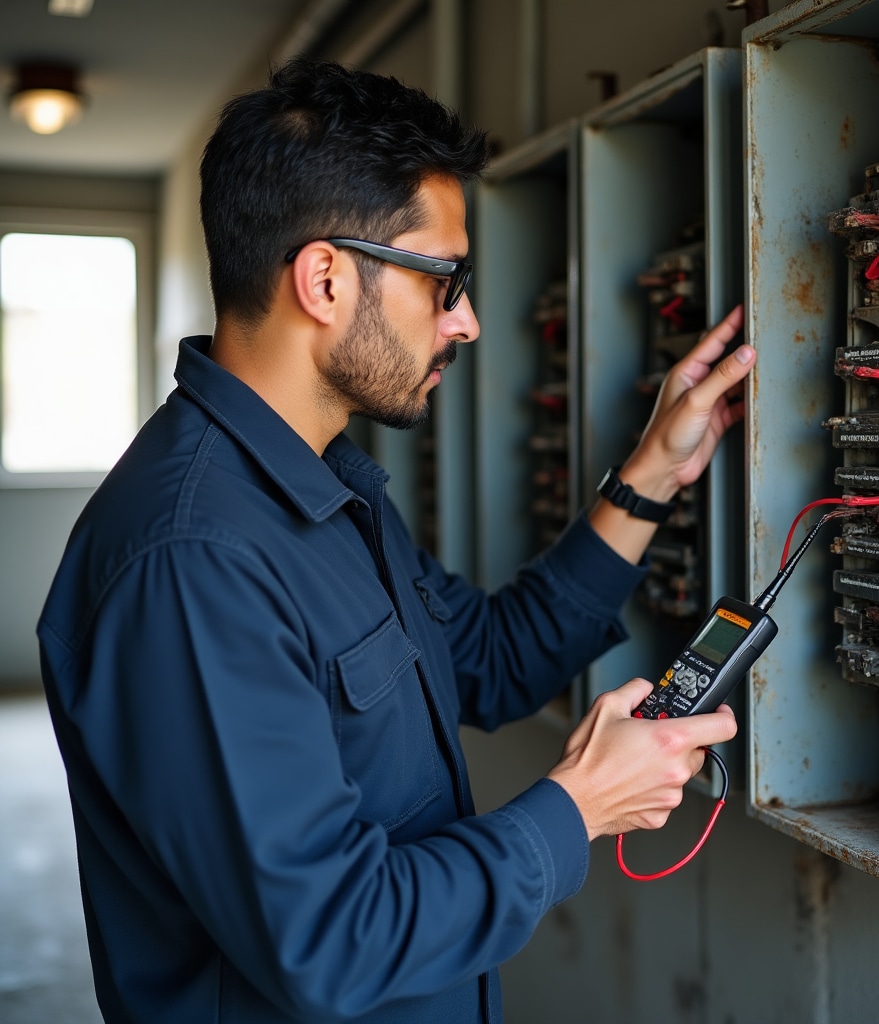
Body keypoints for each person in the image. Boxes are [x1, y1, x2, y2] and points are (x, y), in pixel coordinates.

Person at [37, 58, 756, 1024]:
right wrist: (579, 806)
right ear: (325, 279)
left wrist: (653, 475)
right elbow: (330, 940)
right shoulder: (192, 560)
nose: (463, 321)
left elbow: (494, 660)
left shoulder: (327, 489)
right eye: (444, 280)